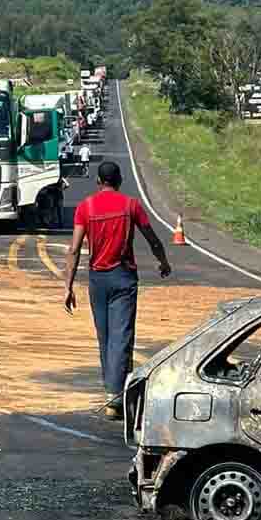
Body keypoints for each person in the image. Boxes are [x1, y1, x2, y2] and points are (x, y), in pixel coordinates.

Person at [64, 161, 171, 420]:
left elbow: (75, 249)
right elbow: (151, 236)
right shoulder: (130, 205)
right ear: (120, 180)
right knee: (122, 337)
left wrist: (68, 286)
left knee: (106, 337)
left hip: (97, 279)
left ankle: (112, 392)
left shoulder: (85, 207)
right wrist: (163, 260)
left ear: (99, 181)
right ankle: (115, 397)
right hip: (123, 277)